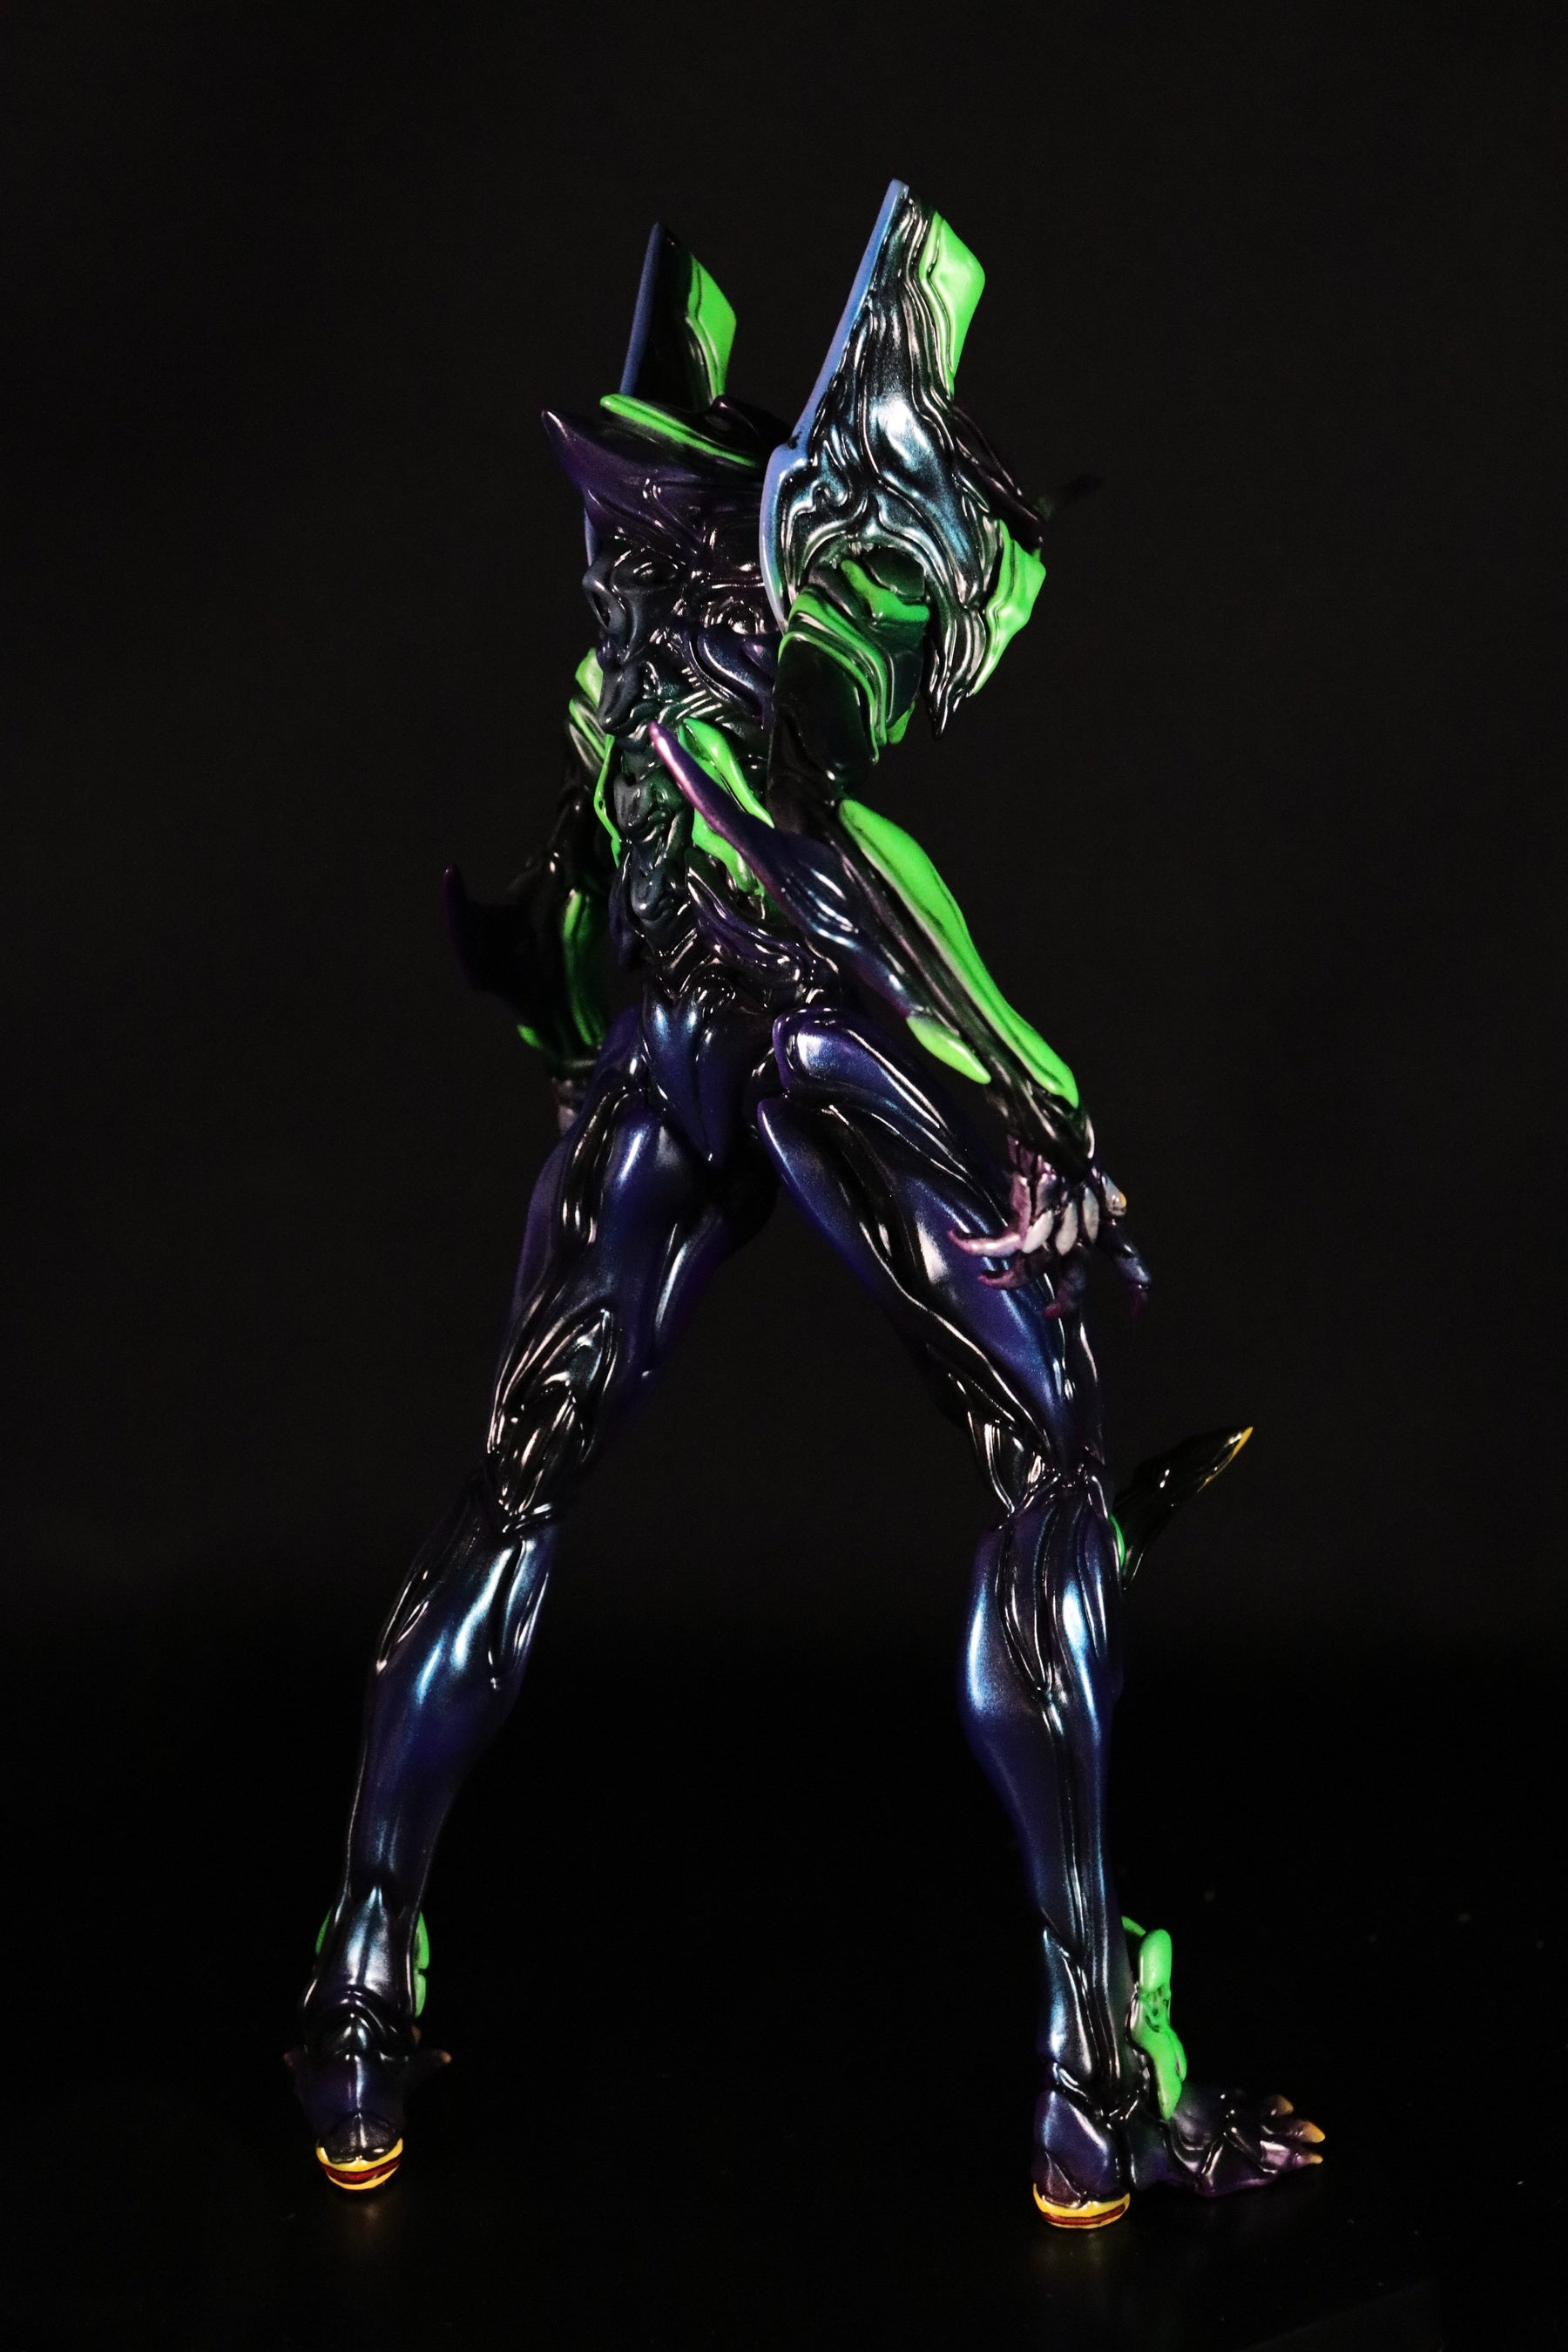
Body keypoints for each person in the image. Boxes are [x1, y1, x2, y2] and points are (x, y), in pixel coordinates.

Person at [289, 180, 1323, 2223]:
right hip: (785, 1037)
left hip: (688, 1040)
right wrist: (1030, 1096)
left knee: (531, 1477)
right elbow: (827, 865)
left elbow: (737, 853)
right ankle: (1092, 2088)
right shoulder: (744, 680)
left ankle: (359, 1992)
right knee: (1038, 1473)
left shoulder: (655, 666)